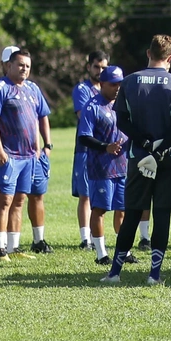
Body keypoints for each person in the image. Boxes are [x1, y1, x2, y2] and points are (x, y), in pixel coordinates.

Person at [101, 35, 171, 285]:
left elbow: (122, 121)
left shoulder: (129, 82)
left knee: (132, 213)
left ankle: (115, 273)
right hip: (167, 157)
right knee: (162, 213)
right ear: (170, 58)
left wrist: (144, 144)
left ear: (147, 53)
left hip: (137, 156)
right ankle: (154, 275)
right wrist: (159, 148)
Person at [0, 50, 52, 261]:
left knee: (20, 200)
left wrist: (44, 146)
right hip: (9, 155)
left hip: (29, 156)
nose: (24, 69)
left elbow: (42, 116)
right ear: (9, 66)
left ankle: (14, 246)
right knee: (5, 200)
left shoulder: (32, 88)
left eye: (28, 66)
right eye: (20, 65)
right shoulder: (0, 88)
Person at [78, 66, 129, 266]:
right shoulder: (92, 107)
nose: (117, 88)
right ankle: (101, 254)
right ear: (102, 84)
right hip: (102, 169)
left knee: (123, 209)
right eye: (113, 84)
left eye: (120, 84)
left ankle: (124, 251)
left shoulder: (124, 104)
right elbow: (84, 137)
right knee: (99, 209)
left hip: (123, 166)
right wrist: (105, 147)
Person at [72, 50, 109, 250]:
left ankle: (98, 238)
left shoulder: (111, 88)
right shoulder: (82, 89)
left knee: (102, 195)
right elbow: (84, 116)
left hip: (106, 151)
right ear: (89, 67)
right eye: (96, 66)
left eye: (104, 67)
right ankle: (85, 238)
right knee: (86, 194)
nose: (100, 71)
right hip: (86, 149)